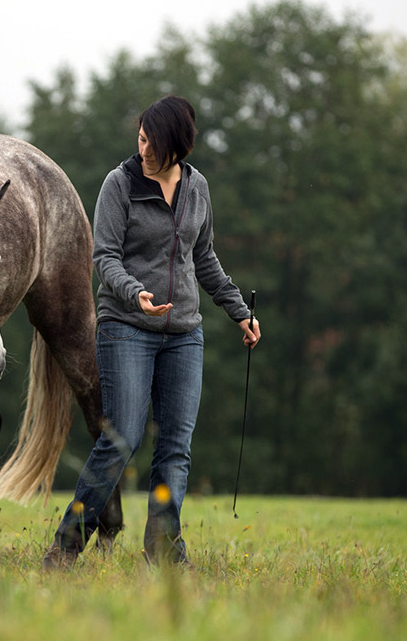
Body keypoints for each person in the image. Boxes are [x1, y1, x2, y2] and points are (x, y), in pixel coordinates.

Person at [44, 95, 261, 568]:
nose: (143, 150)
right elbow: (104, 257)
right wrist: (133, 293)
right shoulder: (119, 185)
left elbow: (203, 258)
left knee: (176, 447)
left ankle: (163, 549)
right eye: (141, 139)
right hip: (127, 328)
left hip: (184, 333)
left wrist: (238, 310)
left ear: (177, 147)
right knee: (122, 436)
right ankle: (65, 547)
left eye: (153, 144)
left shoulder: (197, 187)